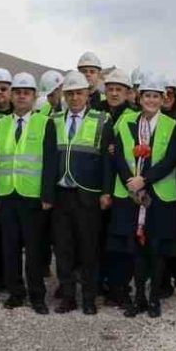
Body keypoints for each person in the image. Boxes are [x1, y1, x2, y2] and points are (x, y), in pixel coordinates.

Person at [109, 75, 176, 317]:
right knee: (136, 248)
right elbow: (119, 156)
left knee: (156, 247)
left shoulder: (171, 125)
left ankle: (154, 298)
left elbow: (171, 159)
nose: (151, 100)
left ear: (163, 99)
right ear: (140, 98)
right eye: (147, 96)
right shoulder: (127, 122)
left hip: (158, 195)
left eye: (156, 96)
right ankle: (138, 297)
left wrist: (145, 180)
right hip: (132, 194)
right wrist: (131, 183)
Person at [0, 74, 56, 313]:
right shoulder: (0, 124)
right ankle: (15, 293)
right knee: (10, 248)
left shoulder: (45, 123)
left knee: (35, 250)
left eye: (26, 93)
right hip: (6, 194)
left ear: (34, 96)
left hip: (33, 196)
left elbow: (50, 161)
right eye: (17, 92)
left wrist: (47, 195)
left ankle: (37, 296)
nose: (21, 96)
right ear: (11, 95)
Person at [49, 70, 109, 315]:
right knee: (63, 249)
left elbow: (106, 161)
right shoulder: (54, 120)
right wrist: (46, 195)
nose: (74, 98)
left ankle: (89, 298)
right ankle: (68, 297)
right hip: (61, 194)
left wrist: (106, 192)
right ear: (64, 95)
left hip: (88, 195)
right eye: (70, 94)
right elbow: (49, 160)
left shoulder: (102, 120)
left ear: (87, 94)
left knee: (88, 249)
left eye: (79, 93)